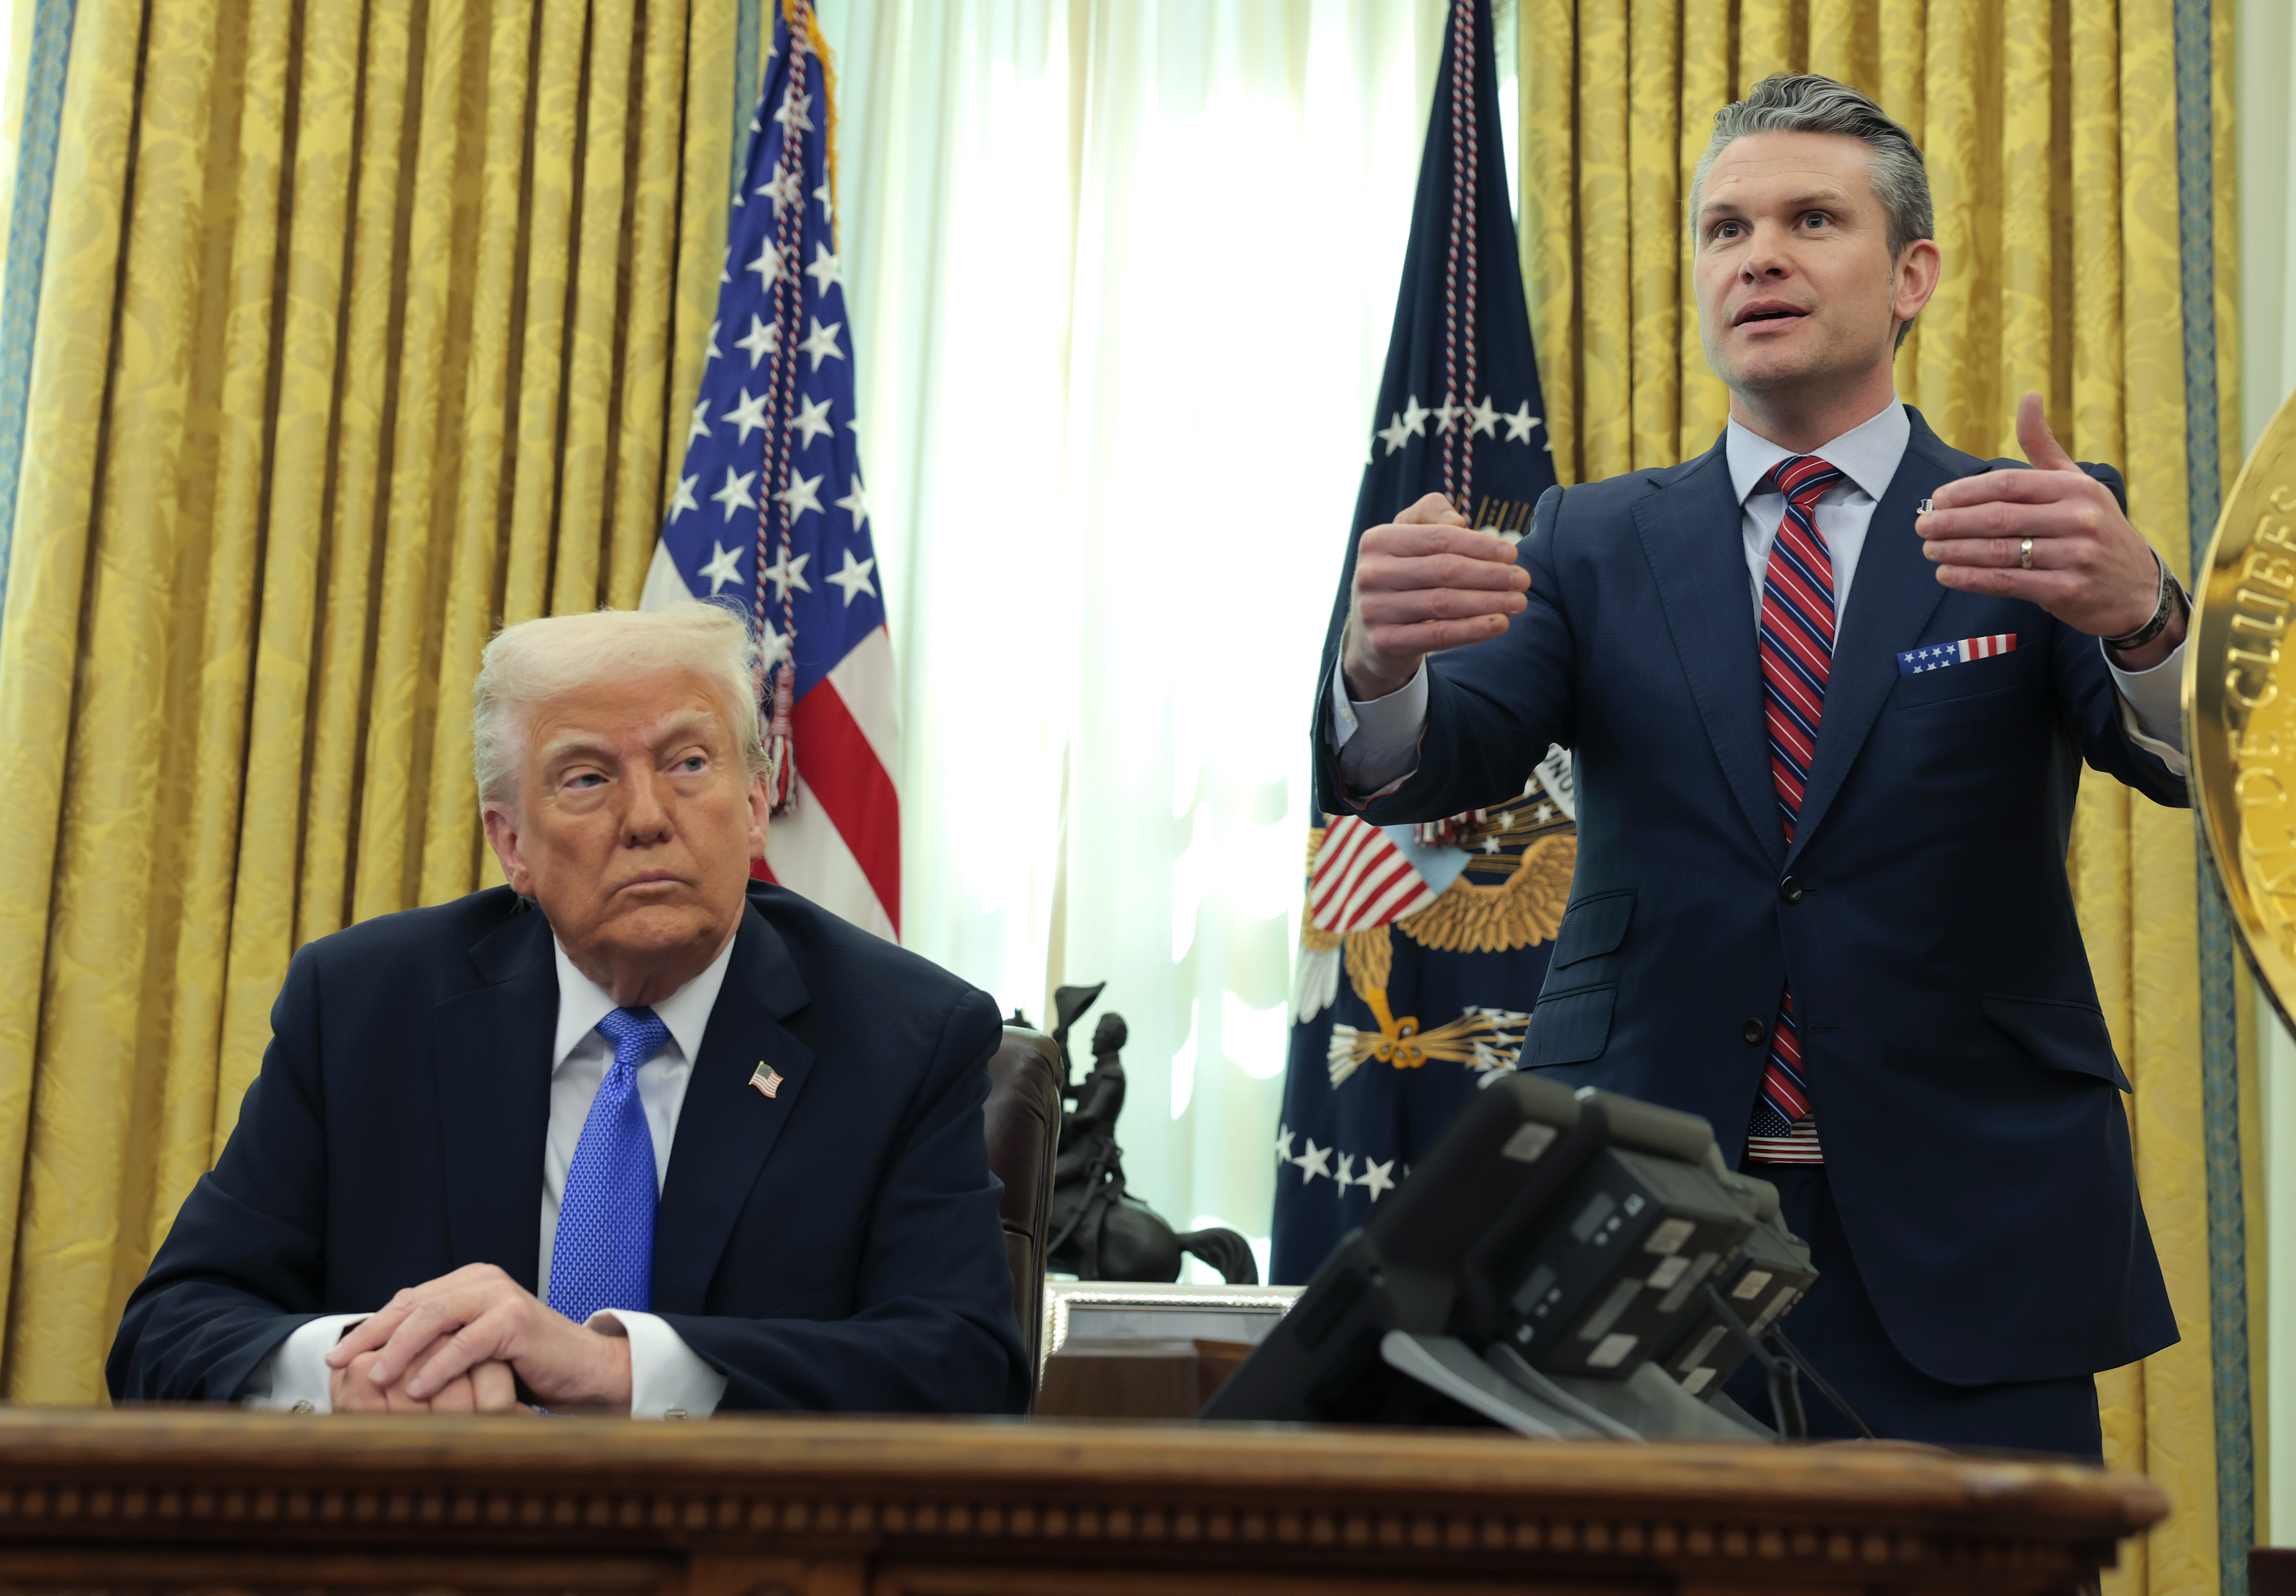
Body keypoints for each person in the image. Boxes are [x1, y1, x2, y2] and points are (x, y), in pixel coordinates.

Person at [1318, 73, 2186, 1458]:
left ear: (1911, 275)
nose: (1757, 255)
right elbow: (1431, 760)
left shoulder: (2026, 527)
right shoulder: (1588, 538)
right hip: (1642, 1227)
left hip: (1967, 1228)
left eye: (1808, 220)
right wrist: (1378, 668)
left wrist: (2146, 614)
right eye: (1723, 229)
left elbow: (2193, 763)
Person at [109, 602, 1030, 1417]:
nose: (646, 816)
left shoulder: (902, 1034)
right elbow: (169, 1329)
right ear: (511, 842)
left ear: (754, 804)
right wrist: (352, 1371)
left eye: (689, 762)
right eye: (586, 777)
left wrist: (611, 1367)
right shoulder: (360, 1007)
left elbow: (964, 1368)